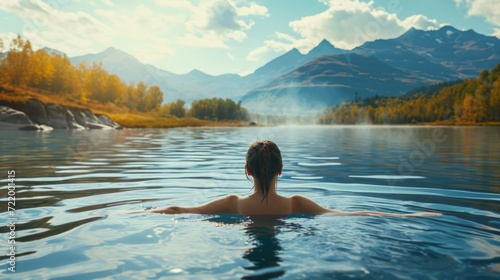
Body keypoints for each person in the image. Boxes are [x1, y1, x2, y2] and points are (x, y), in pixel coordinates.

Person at [151, 140, 440, 217]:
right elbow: (351, 213)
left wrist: (134, 211)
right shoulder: (296, 204)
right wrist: (408, 216)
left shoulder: (233, 204)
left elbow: (181, 211)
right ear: (281, 169)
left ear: (247, 170)